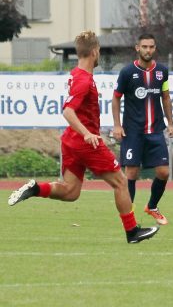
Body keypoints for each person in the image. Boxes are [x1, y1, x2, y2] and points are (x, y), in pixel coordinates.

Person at [8, 30, 159, 244]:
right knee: (121, 182)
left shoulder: (76, 74)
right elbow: (68, 111)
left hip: (71, 141)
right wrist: (88, 133)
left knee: (70, 192)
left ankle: (35, 189)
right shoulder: (84, 80)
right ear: (95, 52)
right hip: (84, 142)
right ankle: (132, 231)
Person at [112, 34, 173, 225]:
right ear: (137, 48)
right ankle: (129, 219)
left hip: (156, 130)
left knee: (164, 172)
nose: (148, 50)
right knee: (131, 174)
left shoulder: (161, 72)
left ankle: (152, 206)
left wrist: (170, 123)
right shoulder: (127, 72)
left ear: (155, 48)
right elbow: (116, 98)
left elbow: (165, 97)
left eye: (151, 47)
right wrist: (117, 125)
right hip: (133, 132)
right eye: (144, 47)